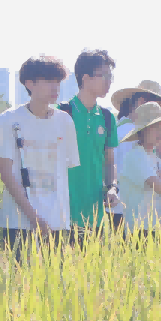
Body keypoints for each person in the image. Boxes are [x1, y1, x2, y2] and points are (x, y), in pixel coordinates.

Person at [0, 55, 82, 250]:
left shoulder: (65, 121)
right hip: (19, 220)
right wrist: (33, 216)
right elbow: (6, 174)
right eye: (49, 81)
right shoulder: (9, 119)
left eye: (57, 82)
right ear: (29, 83)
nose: (55, 88)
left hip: (56, 221)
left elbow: (65, 171)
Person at [61, 48, 119, 235]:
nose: (109, 82)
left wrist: (112, 187)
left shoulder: (107, 117)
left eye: (111, 76)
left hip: (96, 214)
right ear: (85, 78)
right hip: (62, 212)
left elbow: (109, 161)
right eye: (104, 76)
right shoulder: (61, 113)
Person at [116, 101, 161, 233]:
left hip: (153, 225)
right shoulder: (136, 154)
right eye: (155, 128)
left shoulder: (153, 157)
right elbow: (153, 181)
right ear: (143, 131)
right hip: (138, 229)